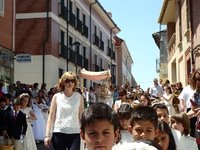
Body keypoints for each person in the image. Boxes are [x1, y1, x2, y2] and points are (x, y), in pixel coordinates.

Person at [44, 71, 84, 150]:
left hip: (75, 132)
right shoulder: (56, 96)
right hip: (59, 132)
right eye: (67, 81)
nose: (70, 83)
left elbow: (81, 116)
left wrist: (85, 133)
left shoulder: (79, 97)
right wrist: (47, 135)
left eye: (72, 81)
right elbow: (51, 116)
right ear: (63, 82)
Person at [178, 73, 196, 137]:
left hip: (197, 108)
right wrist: (182, 105)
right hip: (190, 109)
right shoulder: (186, 88)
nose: (190, 80)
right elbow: (181, 98)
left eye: (191, 78)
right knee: (191, 126)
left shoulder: (197, 87)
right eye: (189, 79)